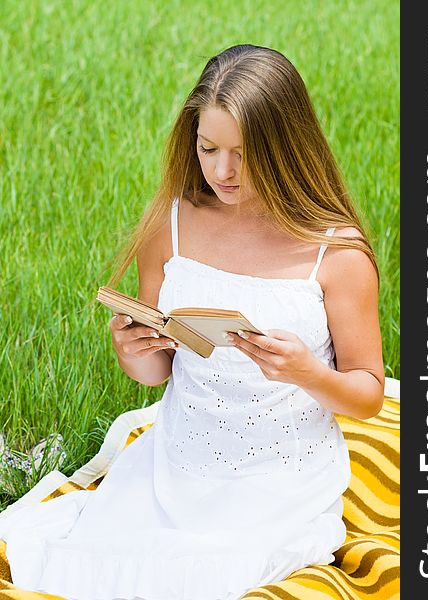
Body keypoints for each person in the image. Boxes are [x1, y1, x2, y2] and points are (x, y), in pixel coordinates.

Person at [0, 44, 384, 600]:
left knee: (208, 579)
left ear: (286, 149)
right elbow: (158, 369)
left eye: (243, 153)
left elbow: (367, 394)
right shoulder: (174, 223)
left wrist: (306, 373)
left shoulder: (337, 253)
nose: (222, 171)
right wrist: (134, 352)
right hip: (177, 460)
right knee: (88, 568)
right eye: (208, 149)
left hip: (279, 480)